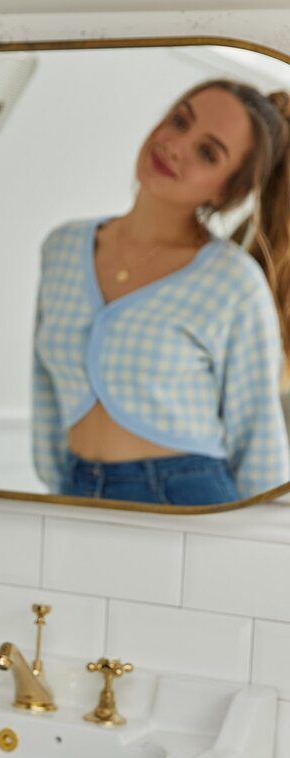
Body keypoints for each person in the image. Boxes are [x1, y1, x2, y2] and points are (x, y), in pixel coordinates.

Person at [32, 78, 290, 506]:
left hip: (187, 496)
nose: (175, 146)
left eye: (208, 152)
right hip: (75, 487)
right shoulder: (62, 248)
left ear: (227, 190)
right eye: (179, 121)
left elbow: (257, 437)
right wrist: (58, 485)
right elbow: (43, 392)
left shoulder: (233, 282)